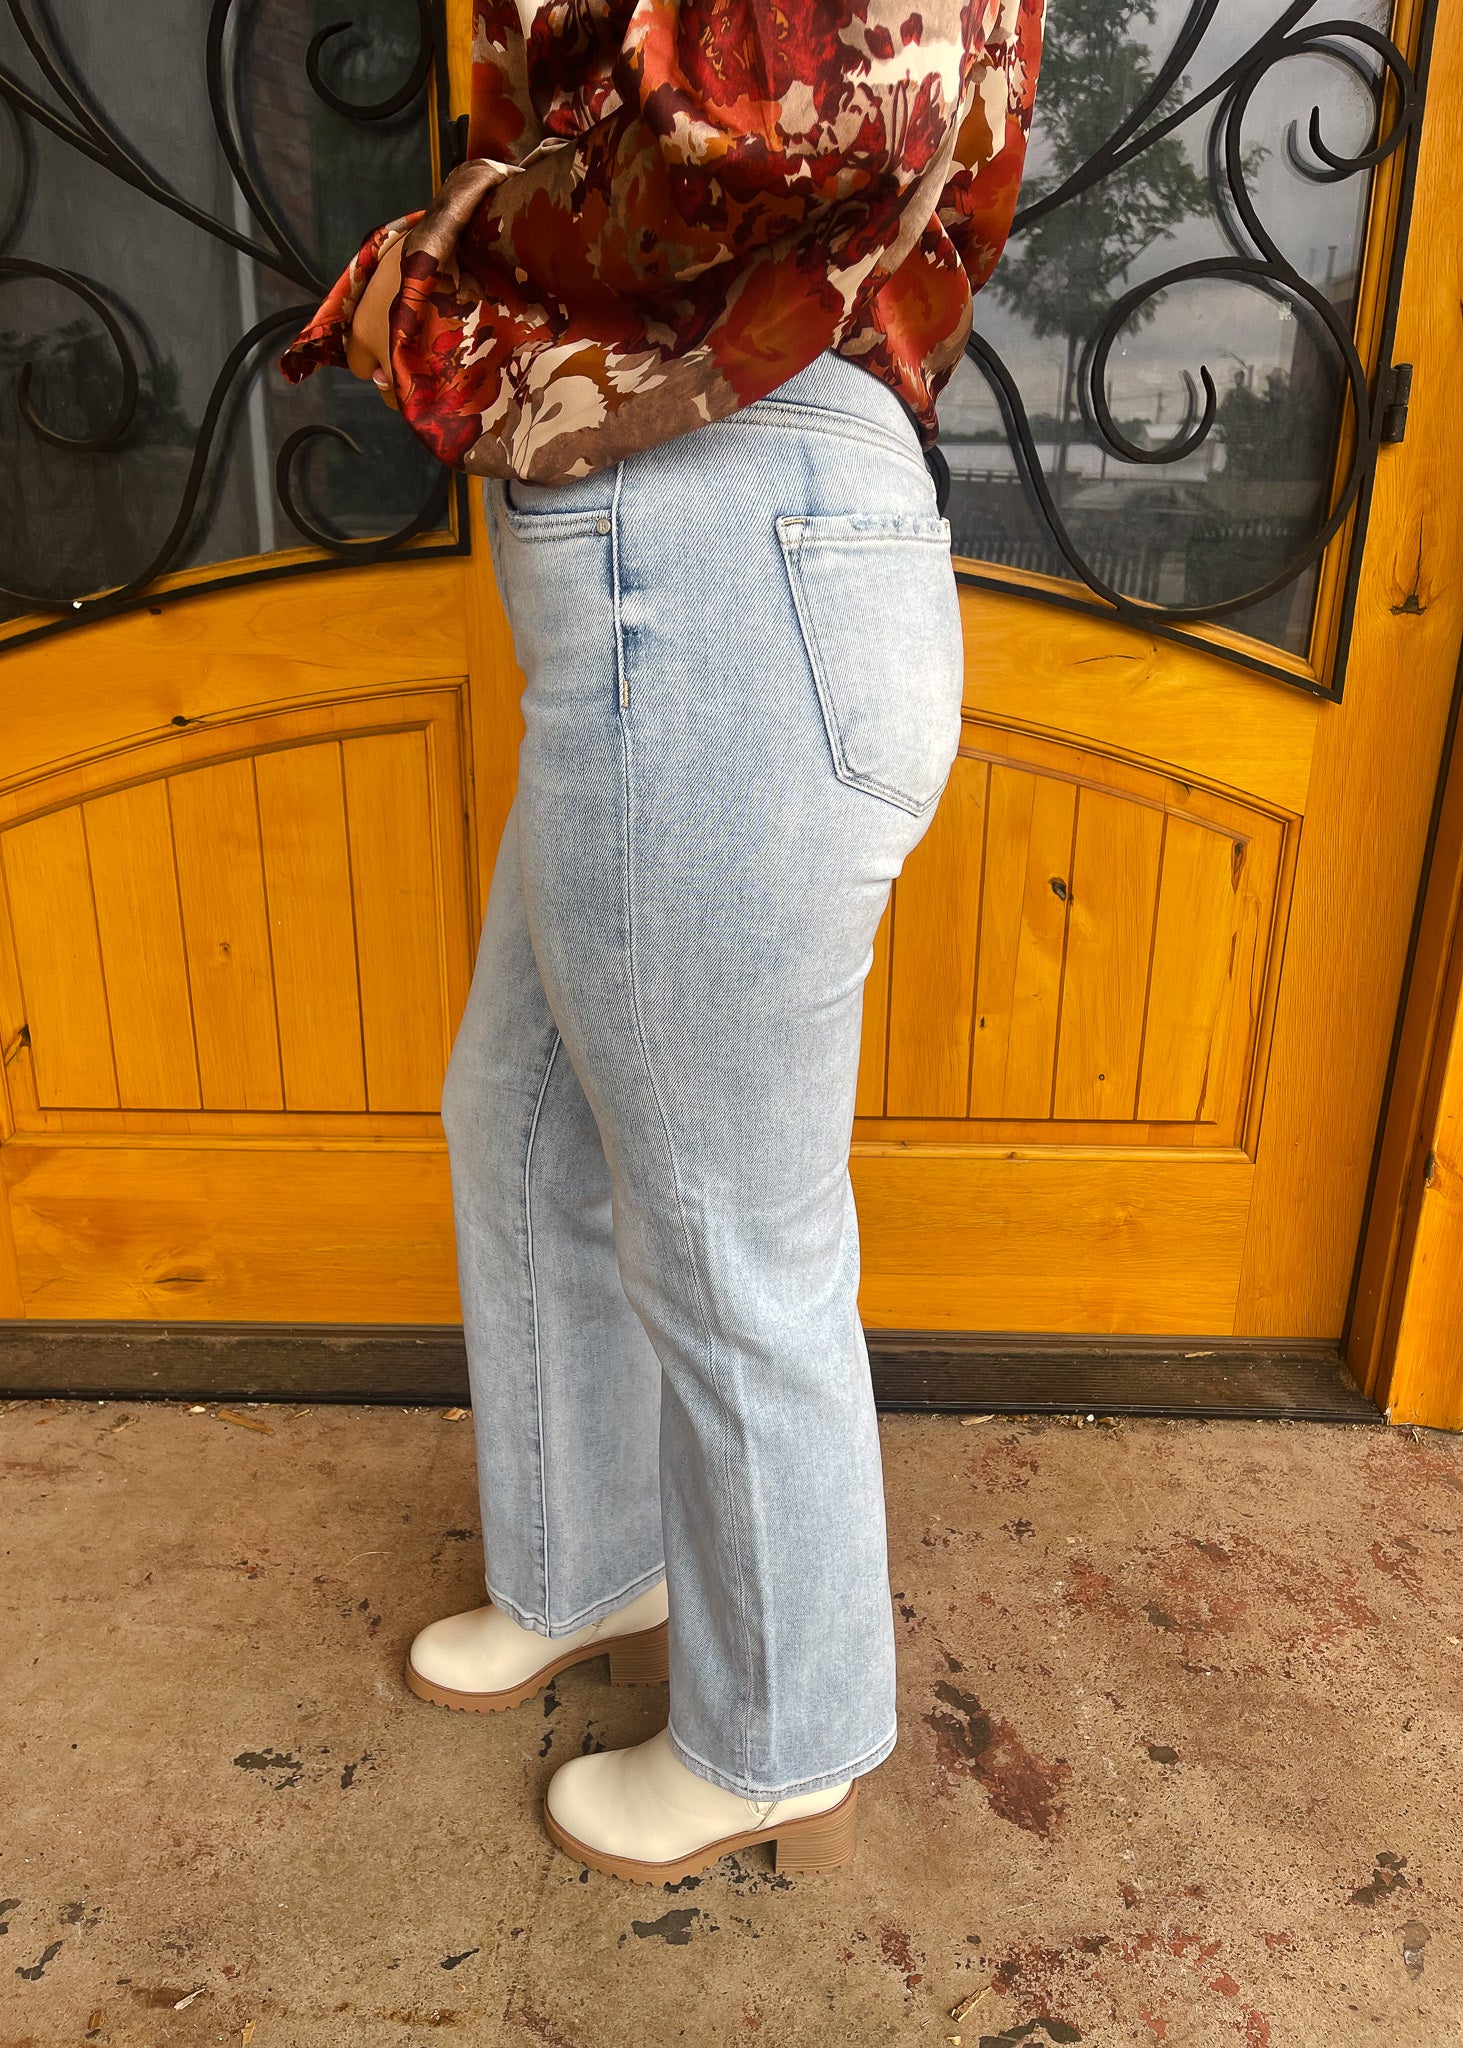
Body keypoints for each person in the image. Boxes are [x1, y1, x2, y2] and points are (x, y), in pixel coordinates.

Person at [280, 0, 1042, 1887]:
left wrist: (434, 265)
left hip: (727, 548)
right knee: (524, 1121)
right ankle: (590, 1561)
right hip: (688, 563)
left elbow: (784, 127)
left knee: (724, 1221)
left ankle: (782, 1730)